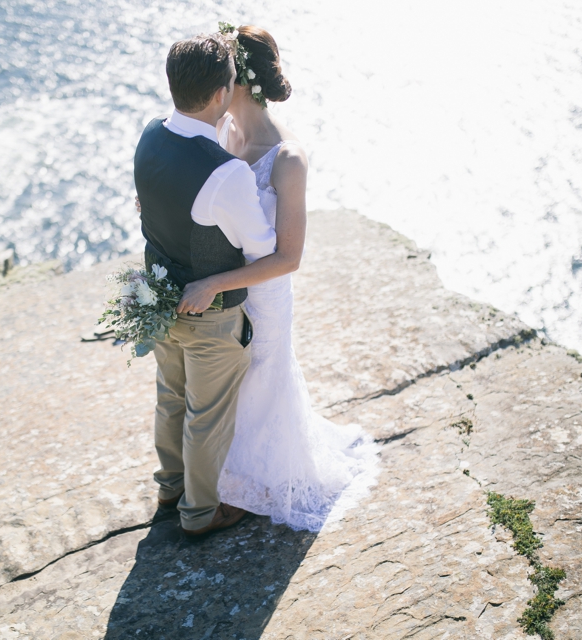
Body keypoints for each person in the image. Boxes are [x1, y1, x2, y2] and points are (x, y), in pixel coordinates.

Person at [177, 25, 379, 532]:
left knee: (261, 383)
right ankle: (222, 472)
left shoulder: (287, 158)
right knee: (228, 384)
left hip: (263, 294)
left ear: (235, 80)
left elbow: (289, 258)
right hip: (225, 285)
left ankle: (251, 487)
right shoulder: (223, 132)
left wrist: (212, 284)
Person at [133, 34, 275, 537]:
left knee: (170, 397)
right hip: (210, 318)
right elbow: (264, 249)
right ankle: (199, 513)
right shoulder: (227, 173)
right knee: (205, 416)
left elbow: (150, 205)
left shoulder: (150, 134)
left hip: (159, 300)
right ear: (220, 94)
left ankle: (170, 488)